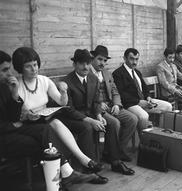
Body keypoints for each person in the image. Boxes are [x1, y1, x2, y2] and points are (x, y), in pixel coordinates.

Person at [0, 50, 106, 189]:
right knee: (48, 131)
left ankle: (77, 166)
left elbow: (62, 103)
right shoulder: (14, 84)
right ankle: (68, 172)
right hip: (28, 125)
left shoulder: (38, 81)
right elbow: (17, 115)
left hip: (43, 120)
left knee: (54, 125)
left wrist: (63, 91)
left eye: (35, 64)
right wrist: (21, 119)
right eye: (28, 66)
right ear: (21, 67)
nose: (34, 69)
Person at [63, 49, 135, 175]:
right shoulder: (68, 81)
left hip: (91, 113)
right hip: (74, 117)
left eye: (87, 63)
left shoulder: (92, 78)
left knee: (112, 123)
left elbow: (97, 101)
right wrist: (91, 120)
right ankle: (91, 166)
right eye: (81, 63)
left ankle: (115, 162)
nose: (85, 67)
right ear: (74, 65)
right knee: (88, 127)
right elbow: (69, 109)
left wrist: (98, 115)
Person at [90, 45, 137, 161]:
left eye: (105, 60)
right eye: (99, 59)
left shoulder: (106, 73)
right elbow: (86, 95)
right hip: (96, 109)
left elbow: (115, 90)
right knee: (115, 123)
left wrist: (116, 104)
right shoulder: (87, 73)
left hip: (111, 105)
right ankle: (111, 153)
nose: (102, 63)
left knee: (132, 119)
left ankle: (119, 150)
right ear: (93, 59)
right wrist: (99, 104)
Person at [112, 48, 172, 136]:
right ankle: (144, 140)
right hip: (130, 104)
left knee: (168, 106)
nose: (134, 62)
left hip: (144, 102)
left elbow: (145, 88)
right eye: (131, 59)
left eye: (136, 59)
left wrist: (148, 97)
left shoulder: (137, 72)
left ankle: (162, 135)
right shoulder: (118, 73)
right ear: (124, 58)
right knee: (144, 116)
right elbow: (121, 94)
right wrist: (139, 102)